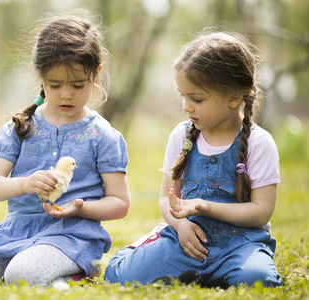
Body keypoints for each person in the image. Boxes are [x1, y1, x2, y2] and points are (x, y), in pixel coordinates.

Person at [0, 11, 130, 287]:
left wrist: (79, 208)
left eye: (77, 85)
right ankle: (36, 269)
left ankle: (76, 272)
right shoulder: (22, 127)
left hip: (72, 236)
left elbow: (120, 203)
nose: (66, 94)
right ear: (41, 77)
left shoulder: (102, 136)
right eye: (55, 84)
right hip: (15, 232)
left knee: (22, 274)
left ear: (95, 74)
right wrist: (25, 183)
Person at [104, 31, 282, 288]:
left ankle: (207, 275)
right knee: (118, 275)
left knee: (257, 281)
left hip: (241, 244)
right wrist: (180, 225)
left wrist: (207, 207)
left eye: (197, 99)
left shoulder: (259, 143)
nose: (187, 106)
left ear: (233, 98)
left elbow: (261, 212)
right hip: (187, 240)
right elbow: (167, 198)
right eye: (183, 96)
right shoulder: (182, 135)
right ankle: (163, 250)